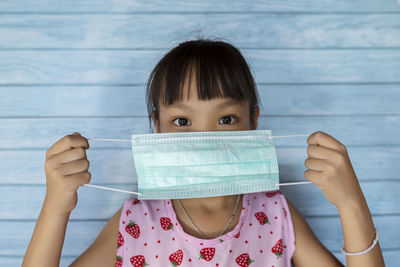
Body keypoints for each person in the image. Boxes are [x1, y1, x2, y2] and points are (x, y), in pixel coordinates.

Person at [22, 38, 385, 267]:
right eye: (182, 122)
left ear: (253, 121)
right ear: (157, 127)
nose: (206, 137)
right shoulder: (136, 223)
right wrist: (56, 207)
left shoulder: (275, 215)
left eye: (227, 118)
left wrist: (351, 204)